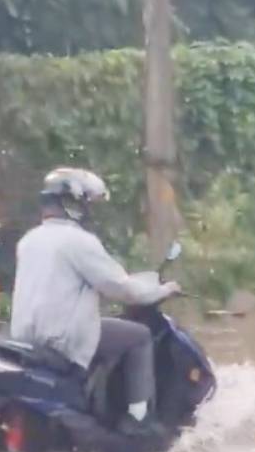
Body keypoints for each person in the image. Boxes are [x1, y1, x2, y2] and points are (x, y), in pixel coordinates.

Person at [10, 168, 181, 434]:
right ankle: (138, 420)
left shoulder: (29, 240)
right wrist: (163, 290)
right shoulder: (79, 242)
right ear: (74, 204)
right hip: (62, 340)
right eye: (87, 204)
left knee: (108, 332)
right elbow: (122, 288)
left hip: (27, 340)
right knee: (138, 336)